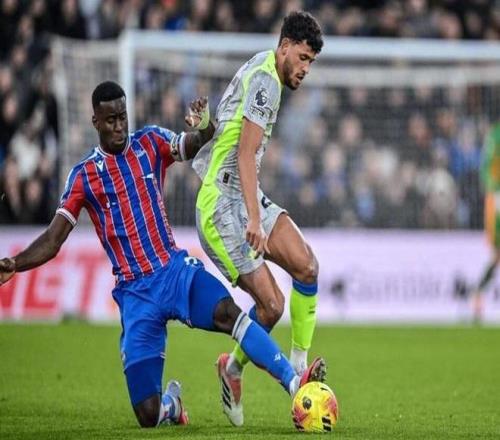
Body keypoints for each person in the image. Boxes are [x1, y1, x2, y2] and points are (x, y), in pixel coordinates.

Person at [0, 81, 326, 428]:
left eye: (122, 117)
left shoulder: (150, 142)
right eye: (110, 120)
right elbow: (54, 239)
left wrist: (204, 125)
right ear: (95, 121)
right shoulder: (84, 176)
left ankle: (295, 384)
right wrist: (15, 263)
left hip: (173, 271)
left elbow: (194, 143)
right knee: (148, 414)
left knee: (228, 313)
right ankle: (172, 405)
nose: (119, 126)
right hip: (135, 293)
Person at [192, 10, 324, 426]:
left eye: (311, 62)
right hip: (221, 207)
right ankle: (257, 374)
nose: (305, 69)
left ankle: (276, 367)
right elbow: (245, 153)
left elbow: (229, 132)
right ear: (284, 46)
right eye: (302, 58)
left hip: (245, 194)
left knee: (306, 265)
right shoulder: (266, 80)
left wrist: (206, 126)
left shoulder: (263, 67)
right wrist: (254, 218)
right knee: (271, 305)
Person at [471, 122, 500, 322]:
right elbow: (486, 170)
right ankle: (478, 295)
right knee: (497, 255)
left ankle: (478, 294)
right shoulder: (496, 136)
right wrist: (493, 191)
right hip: (497, 200)